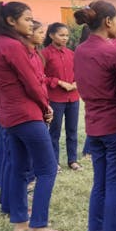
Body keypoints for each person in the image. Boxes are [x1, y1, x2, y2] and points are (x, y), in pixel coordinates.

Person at [0, 1, 65, 231]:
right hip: (26, 115)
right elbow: (32, 83)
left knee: (19, 168)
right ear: (11, 21)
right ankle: (38, 226)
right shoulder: (12, 46)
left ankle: (19, 222)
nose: (31, 23)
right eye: (27, 19)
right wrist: (46, 107)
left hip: (9, 115)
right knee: (47, 169)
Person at [74, 0, 116, 231]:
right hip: (115, 124)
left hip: (93, 125)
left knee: (100, 183)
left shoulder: (80, 50)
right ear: (108, 22)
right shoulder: (113, 52)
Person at [42, 22, 82, 171]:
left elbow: (79, 71)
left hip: (73, 97)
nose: (65, 38)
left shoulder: (72, 54)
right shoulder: (44, 54)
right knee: (55, 131)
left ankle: (73, 160)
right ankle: (54, 162)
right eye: (61, 35)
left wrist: (76, 82)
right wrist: (58, 82)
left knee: (72, 130)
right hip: (55, 98)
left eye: (66, 35)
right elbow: (40, 76)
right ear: (52, 35)